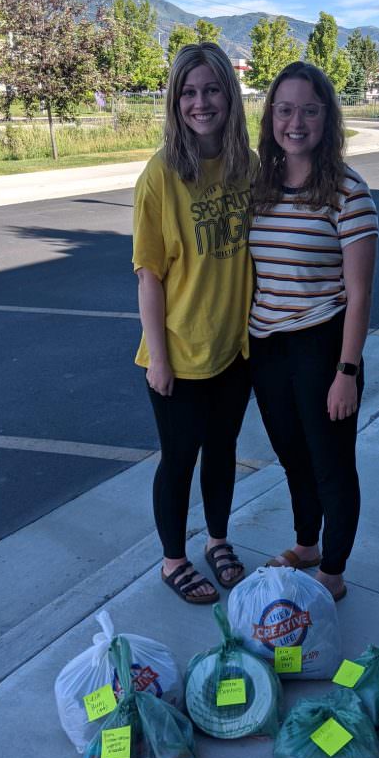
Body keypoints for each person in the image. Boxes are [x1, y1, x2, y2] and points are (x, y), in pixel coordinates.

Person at [249, 61, 379, 602]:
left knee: (331, 464)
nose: (295, 122)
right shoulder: (261, 185)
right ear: (271, 117)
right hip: (266, 346)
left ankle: (334, 571)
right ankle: (306, 545)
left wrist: (346, 371)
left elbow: (360, 295)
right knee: (292, 456)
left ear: (327, 117)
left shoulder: (349, 192)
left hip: (322, 345)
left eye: (308, 110)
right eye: (284, 110)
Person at [133, 43, 254, 604]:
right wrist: (159, 358)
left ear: (229, 95)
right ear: (174, 101)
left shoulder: (247, 167)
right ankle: (173, 560)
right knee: (179, 460)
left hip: (235, 350)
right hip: (179, 353)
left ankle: (218, 540)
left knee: (223, 451)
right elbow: (149, 276)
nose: (200, 103)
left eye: (211, 90)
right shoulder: (160, 175)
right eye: (188, 92)